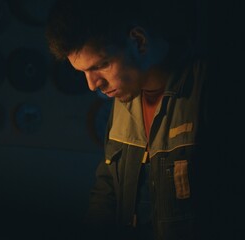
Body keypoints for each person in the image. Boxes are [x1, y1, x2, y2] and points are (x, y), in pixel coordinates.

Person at [45, 0, 207, 239]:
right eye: (83, 73)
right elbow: (108, 186)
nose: (92, 85)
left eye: (101, 65)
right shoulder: (123, 98)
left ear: (139, 41)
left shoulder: (203, 88)